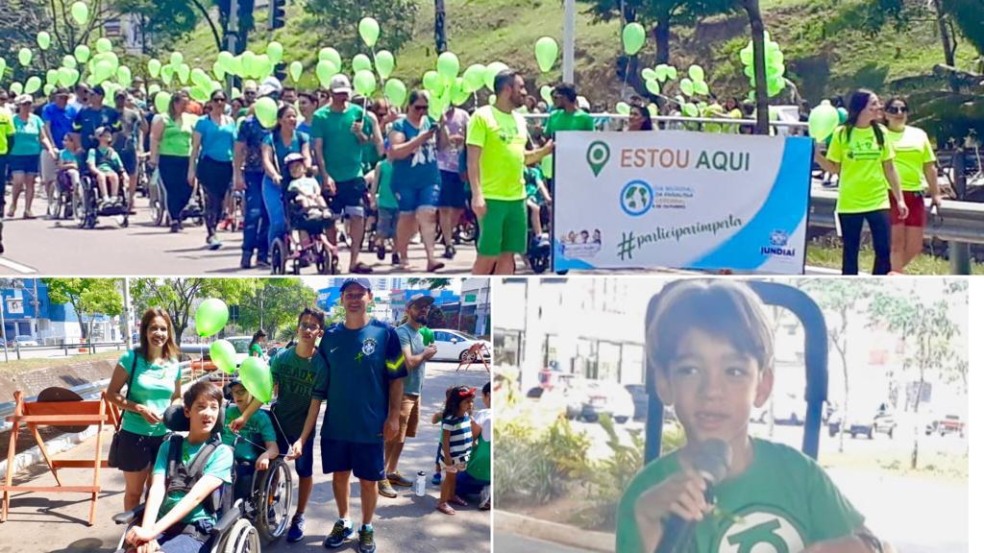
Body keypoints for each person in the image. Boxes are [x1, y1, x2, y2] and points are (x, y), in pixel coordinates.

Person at [616, 280, 887, 553]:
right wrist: (649, 526)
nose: (711, 390)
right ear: (664, 383)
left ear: (762, 386)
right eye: (690, 370)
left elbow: (875, 544)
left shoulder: (800, 475)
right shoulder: (646, 497)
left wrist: (861, 548)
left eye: (734, 371)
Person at [297, 278, 406, 553]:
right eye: (349, 294)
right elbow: (316, 371)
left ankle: (366, 527)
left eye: (359, 294)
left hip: (371, 425)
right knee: (339, 476)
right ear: (342, 299)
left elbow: (397, 378)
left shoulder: (386, 333)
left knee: (369, 481)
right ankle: (344, 521)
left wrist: (394, 416)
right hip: (337, 424)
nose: (354, 299)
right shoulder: (331, 336)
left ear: (370, 297)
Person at [230, 307, 329, 543]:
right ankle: (269, 504)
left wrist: (301, 440)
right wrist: (245, 417)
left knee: (304, 472)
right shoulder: (281, 358)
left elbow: (314, 407)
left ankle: (299, 516)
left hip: (302, 427)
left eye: (312, 326)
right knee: (270, 466)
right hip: (279, 422)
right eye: (304, 324)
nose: (307, 329)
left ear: (319, 332)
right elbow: (263, 393)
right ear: (298, 327)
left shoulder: (321, 366)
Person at [121, 381, 233, 553]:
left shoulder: (222, 453)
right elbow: (157, 489)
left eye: (214, 407)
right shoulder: (168, 446)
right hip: (162, 523)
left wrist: (151, 532)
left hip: (196, 529)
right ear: (187, 411)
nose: (208, 413)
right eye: (201, 407)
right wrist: (147, 532)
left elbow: (195, 497)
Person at [467, 70, 554, 275]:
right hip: (492, 198)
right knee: (488, 255)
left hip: (517, 198)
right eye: (520, 87)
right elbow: (472, 160)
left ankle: (500, 293)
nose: (524, 92)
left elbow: (521, 157)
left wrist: (544, 152)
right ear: (507, 89)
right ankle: (473, 294)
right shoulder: (482, 117)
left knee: (508, 254)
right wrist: (477, 195)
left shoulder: (519, 120)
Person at [815, 89, 908, 275]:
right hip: (850, 202)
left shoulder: (881, 132)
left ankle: (877, 285)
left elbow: (889, 167)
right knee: (850, 252)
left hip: (878, 199)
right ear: (860, 108)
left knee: (883, 250)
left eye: (878, 103)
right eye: (873, 104)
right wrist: (816, 155)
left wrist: (900, 199)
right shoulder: (842, 133)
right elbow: (834, 168)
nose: (878, 107)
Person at [106, 308, 183, 513]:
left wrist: (171, 411)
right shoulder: (131, 358)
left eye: (163, 329)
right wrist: (138, 408)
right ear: (145, 331)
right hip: (134, 436)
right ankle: (130, 529)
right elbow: (111, 394)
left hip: (165, 437)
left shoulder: (174, 364)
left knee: (156, 491)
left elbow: (177, 396)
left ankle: (148, 529)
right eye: (153, 328)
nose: (159, 333)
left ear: (169, 333)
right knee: (134, 493)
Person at [311, 75, 376, 274]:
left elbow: (367, 141)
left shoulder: (357, 113)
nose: (343, 97)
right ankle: (334, 257)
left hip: (354, 173)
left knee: (357, 215)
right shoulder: (321, 116)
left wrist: (359, 133)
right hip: (332, 174)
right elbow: (318, 148)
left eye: (345, 93)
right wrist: (325, 175)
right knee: (331, 219)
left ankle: (354, 260)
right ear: (331, 93)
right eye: (339, 94)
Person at [379, 294, 439, 499]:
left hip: (415, 392)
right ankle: (380, 476)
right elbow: (408, 363)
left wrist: (426, 353)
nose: (424, 309)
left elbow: (417, 361)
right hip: (401, 393)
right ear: (408, 309)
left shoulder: (419, 334)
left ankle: (391, 471)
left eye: (426, 307)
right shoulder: (401, 333)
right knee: (392, 436)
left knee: (403, 437)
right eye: (419, 306)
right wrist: (426, 354)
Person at [883, 96, 943, 272]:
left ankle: (888, 274)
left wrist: (936, 193)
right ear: (886, 114)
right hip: (890, 194)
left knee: (915, 246)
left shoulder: (919, 134)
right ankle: (895, 278)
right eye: (893, 110)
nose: (899, 113)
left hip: (915, 194)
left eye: (903, 109)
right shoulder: (880, 135)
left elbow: (929, 167)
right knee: (896, 244)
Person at [388, 90, 445, 273]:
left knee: (428, 213)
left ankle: (431, 258)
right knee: (407, 217)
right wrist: (421, 138)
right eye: (418, 107)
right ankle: (403, 255)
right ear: (409, 106)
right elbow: (396, 151)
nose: (421, 112)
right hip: (405, 180)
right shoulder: (400, 125)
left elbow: (442, 146)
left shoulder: (430, 122)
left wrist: (442, 127)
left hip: (429, 177)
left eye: (425, 108)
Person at [190, 89, 238, 250]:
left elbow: (235, 146)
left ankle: (214, 226)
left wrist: (238, 168)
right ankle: (211, 233)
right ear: (210, 102)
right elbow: (195, 147)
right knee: (211, 199)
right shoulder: (203, 122)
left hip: (226, 165)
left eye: (222, 100)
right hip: (208, 164)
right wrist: (191, 169)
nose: (219, 103)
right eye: (216, 100)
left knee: (221, 201)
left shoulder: (230, 122)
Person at [262, 105, 312, 255]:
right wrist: (274, 175)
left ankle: (305, 250)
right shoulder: (270, 139)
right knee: (278, 221)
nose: (292, 119)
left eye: (294, 116)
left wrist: (308, 168)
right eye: (288, 116)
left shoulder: (302, 137)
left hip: (297, 183)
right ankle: (274, 252)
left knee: (304, 216)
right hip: (274, 184)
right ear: (280, 120)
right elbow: (266, 160)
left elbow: (306, 156)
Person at [222, 377, 279, 501]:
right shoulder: (226, 413)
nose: (237, 395)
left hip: (247, 463)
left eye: (242, 391)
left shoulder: (261, 418)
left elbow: (274, 448)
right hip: (224, 458)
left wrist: (266, 455)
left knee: (237, 475)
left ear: (253, 392)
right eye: (234, 391)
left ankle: (229, 508)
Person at [234, 93, 273, 269]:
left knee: (268, 214)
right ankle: (247, 252)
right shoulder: (248, 124)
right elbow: (239, 149)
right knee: (253, 213)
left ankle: (263, 254)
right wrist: (237, 174)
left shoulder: (276, 123)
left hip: (272, 175)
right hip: (253, 173)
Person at [149, 91, 194, 234]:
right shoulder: (163, 119)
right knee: (172, 189)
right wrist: (153, 157)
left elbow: (194, 138)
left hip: (185, 157)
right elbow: (155, 138)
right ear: (175, 103)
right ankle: (174, 219)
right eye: (183, 103)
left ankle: (180, 210)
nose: (185, 106)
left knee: (187, 188)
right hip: (168, 157)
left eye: (187, 103)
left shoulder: (189, 119)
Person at [8, 95, 56, 219]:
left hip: (33, 154)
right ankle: (13, 204)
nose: (27, 106)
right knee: (18, 181)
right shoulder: (13, 119)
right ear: (19, 105)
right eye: (24, 104)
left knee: (30, 182)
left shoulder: (36, 119)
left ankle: (28, 209)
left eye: (29, 104)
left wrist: (50, 149)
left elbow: (43, 137)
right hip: (16, 154)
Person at [436, 102, 470, 260]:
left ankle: (447, 234)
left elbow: (470, 141)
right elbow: (440, 145)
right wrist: (443, 126)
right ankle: (449, 244)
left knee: (458, 207)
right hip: (442, 167)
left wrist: (461, 139)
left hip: (460, 167)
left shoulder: (463, 116)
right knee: (444, 207)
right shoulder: (437, 116)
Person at [284, 152, 335, 257]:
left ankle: (325, 210)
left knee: (320, 198)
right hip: (301, 209)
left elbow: (317, 189)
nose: (295, 170)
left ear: (304, 168)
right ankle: (305, 249)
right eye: (291, 168)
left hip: (315, 202)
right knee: (302, 199)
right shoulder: (293, 183)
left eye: (297, 166)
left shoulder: (311, 180)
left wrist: (315, 194)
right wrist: (303, 195)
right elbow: (292, 192)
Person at [435, 385, 475, 516]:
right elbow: (445, 440)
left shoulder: (466, 416)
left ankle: (451, 495)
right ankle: (442, 502)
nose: (470, 404)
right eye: (467, 402)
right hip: (451, 457)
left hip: (461, 456)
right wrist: (447, 457)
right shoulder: (450, 420)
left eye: (471, 401)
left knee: (454, 477)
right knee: (449, 478)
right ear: (457, 403)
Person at [455, 381, 492, 511]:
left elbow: (469, 440)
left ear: (488, 395)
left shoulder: (485, 414)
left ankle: (486, 489)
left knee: (453, 485)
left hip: (482, 470)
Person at [41, 87, 78, 209]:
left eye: (66, 98)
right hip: (52, 147)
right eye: (61, 97)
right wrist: (52, 146)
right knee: (50, 178)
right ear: (56, 98)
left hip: (69, 147)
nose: (63, 100)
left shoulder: (72, 110)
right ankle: (51, 203)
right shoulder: (48, 109)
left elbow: (75, 129)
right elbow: (47, 127)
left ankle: (71, 200)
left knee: (70, 174)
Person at [114, 91, 145, 211]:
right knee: (117, 173)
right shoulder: (110, 113)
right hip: (115, 148)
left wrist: (140, 147)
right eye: (118, 98)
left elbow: (142, 130)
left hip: (130, 147)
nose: (120, 101)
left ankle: (131, 199)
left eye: (123, 98)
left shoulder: (132, 114)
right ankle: (117, 198)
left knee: (133, 173)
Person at [366, 150, 398, 265]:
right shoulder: (381, 165)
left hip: (399, 202)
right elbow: (375, 183)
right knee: (383, 228)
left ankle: (395, 253)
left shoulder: (401, 164)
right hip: (384, 202)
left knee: (397, 230)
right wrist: (373, 199)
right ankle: (381, 244)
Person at [86, 126, 127, 207]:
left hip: (110, 171)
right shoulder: (93, 151)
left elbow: (120, 167)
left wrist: (125, 175)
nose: (108, 135)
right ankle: (105, 198)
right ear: (99, 137)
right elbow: (91, 166)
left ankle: (114, 198)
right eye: (105, 134)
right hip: (98, 171)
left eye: (109, 134)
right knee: (101, 176)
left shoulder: (113, 153)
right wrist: (98, 172)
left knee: (114, 176)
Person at [523, 161, 551, 246]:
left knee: (550, 208)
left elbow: (541, 184)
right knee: (535, 208)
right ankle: (538, 235)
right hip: (522, 196)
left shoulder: (536, 170)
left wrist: (548, 198)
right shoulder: (521, 170)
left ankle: (551, 233)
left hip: (536, 198)